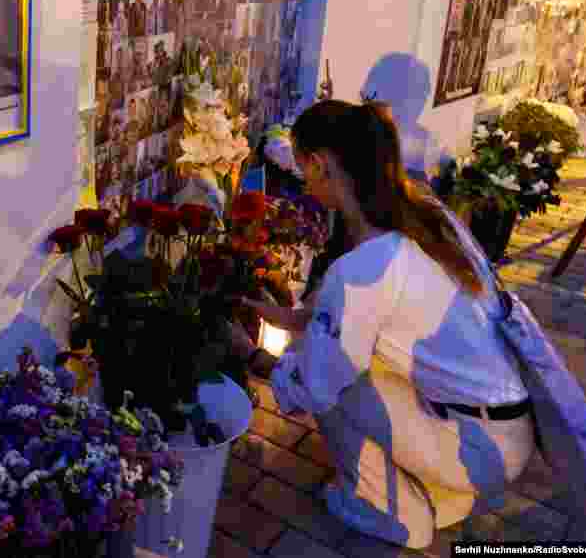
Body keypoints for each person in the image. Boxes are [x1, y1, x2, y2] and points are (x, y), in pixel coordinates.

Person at [226, 100, 536, 550]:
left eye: (301, 168)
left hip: (477, 448)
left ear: (318, 164)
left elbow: (314, 388)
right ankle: (438, 491)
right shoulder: (430, 216)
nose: (304, 184)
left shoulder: (364, 269)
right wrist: (292, 317)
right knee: (338, 354)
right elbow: (391, 305)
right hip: (505, 431)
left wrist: (248, 353)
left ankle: (391, 511)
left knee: (334, 379)